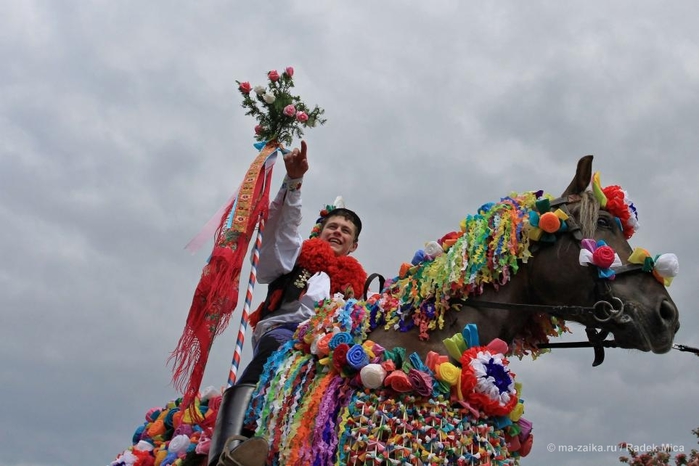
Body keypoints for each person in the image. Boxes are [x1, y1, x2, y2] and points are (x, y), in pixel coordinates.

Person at [208, 141, 366, 466]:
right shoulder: (296, 256)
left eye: (345, 230)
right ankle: (227, 451)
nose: (337, 232)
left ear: (354, 244)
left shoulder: (358, 286)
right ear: (319, 231)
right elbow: (284, 230)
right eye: (332, 226)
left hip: (334, 350)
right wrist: (294, 183)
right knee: (277, 349)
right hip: (286, 335)